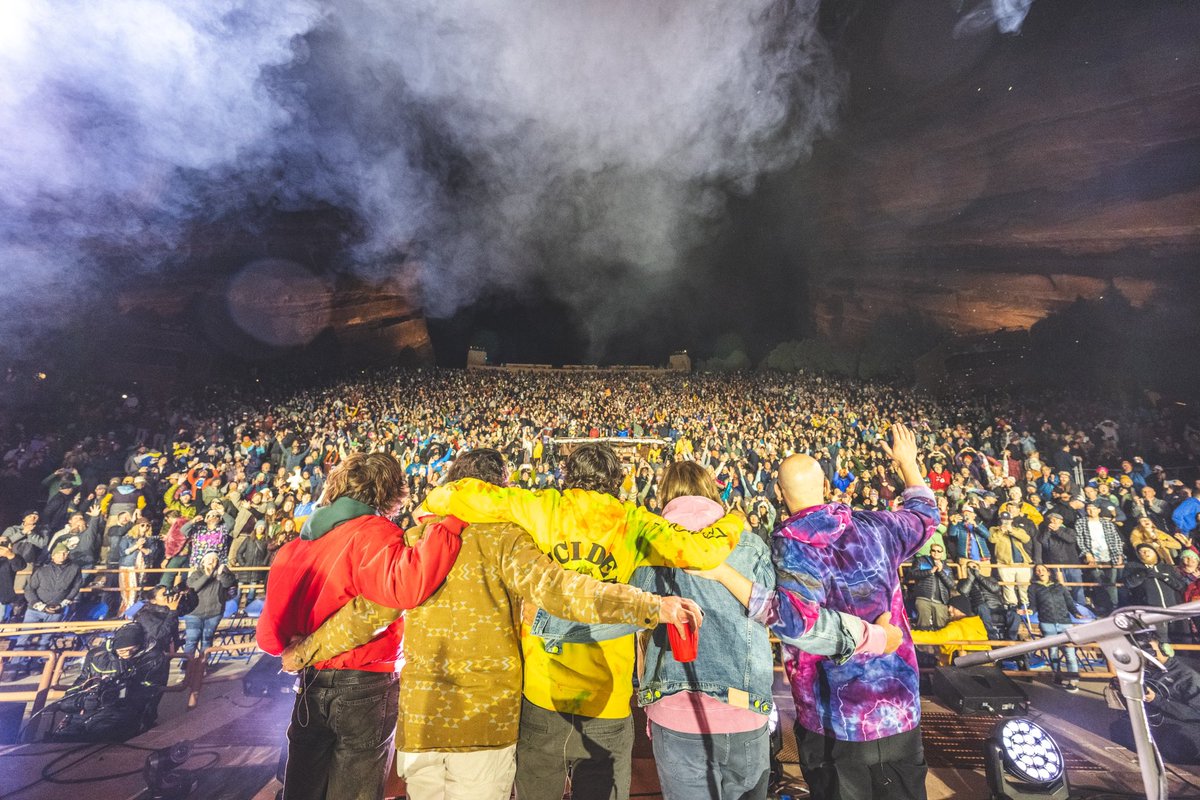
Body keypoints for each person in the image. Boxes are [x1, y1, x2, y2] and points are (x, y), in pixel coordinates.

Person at [279, 449, 710, 800]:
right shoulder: (508, 542)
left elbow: (367, 613)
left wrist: (305, 650)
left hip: (425, 722)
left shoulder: (414, 541)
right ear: (495, 492)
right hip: (487, 724)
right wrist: (652, 606)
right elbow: (564, 590)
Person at [537, 459, 900, 800]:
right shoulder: (749, 545)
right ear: (712, 492)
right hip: (744, 711)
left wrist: (550, 625)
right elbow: (790, 619)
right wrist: (873, 637)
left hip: (675, 715)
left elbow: (620, 616)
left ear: (663, 496)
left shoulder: (652, 547)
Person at [418, 441, 745, 800]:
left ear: (567, 475)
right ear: (617, 480)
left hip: (544, 693)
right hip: (608, 697)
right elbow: (699, 552)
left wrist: (430, 504)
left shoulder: (542, 506)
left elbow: (467, 495)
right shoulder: (631, 520)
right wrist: (733, 519)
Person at [721, 422, 938, 800]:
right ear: (826, 488)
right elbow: (925, 516)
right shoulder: (877, 524)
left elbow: (793, 622)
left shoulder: (791, 547)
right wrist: (908, 464)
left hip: (833, 721)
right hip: (899, 708)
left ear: (777, 493)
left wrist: (724, 576)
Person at [255, 452, 464, 800]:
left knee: (303, 786)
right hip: (365, 682)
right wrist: (450, 525)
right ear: (390, 491)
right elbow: (403, 590)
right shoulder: (375, 532)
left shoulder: (296, 546)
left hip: (310, 684)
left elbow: (269, 639)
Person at [51, 623, 169, 741]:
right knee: (61, 736)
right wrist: (80, 701)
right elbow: (79, 684)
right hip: (88, 709)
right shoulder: (96, 656)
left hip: (124, 712)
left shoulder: (153, 658)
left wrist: (117, 693)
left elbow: (150, 692)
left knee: (99, 733)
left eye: (132, 650)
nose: (127, 654)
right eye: (122, 651)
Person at [1026, 565, 1086, 692]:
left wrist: (1076, 613)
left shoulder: (1059, 586)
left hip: (1064, 622)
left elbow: (1069, 603)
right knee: (1053, 652)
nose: (1040, 572)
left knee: (1069, 653)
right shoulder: (1033, 587)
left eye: (1042, 569)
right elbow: (1033, 605)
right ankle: (1057, 676)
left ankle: (1073, 681)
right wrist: (1029, 611)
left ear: (1048, 572)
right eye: (1037, 570)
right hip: (1047, 622)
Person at [182, 551, 236, 657]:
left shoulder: (224, 573)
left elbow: (229, 584)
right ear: (203, 562)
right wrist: (206, 576)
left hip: (214, 612)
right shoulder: (196, 574)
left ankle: (204, 663)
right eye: (208, 559)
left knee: (207, 639)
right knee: (192, 639)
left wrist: (221, 574)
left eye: (214, 559)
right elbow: (193, 588)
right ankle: (186, 663)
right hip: (194, 613)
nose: (211, 561)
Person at [1074, 502, 1124, 615]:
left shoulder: (1107, 523)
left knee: (1111, 582)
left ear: (1098, 510)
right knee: (1098, 582)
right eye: (1088, 509)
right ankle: (1102, 606)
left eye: (1093, 509)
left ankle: (1114, 606)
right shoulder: (1081, 522)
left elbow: (1115, 538)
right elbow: (1080, 539)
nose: (1091, 511)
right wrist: (1087, 553)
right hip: (1093, 556)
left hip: (1109, 555)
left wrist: (1119, 554)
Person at [908, 543, 957, 630]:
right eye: (933, 550)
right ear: (930, 552)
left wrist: (941, 572)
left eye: (939, 551)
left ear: (942, 553)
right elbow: (912, 574)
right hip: (923, 598)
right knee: (923, 627)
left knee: (941, 628)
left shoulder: (946, 568)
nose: (936, 552)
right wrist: (930, 571)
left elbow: (951, 585)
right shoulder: (921, 560)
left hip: (941, 601)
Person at [988, 512, 1032, 608]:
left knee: (1023, 585)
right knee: (1008, 585)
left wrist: (1011, 531)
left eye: (1008, 520)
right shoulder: (994, 529)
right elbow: (992, 540)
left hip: (1021, 562)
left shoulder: (1018, 529)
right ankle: (1011, 604)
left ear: (1011, 520)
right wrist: (1001, 531)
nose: (1005, 522)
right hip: (1004, 562)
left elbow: (1026, 539)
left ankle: (1025, 603)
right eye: (1003, 520)